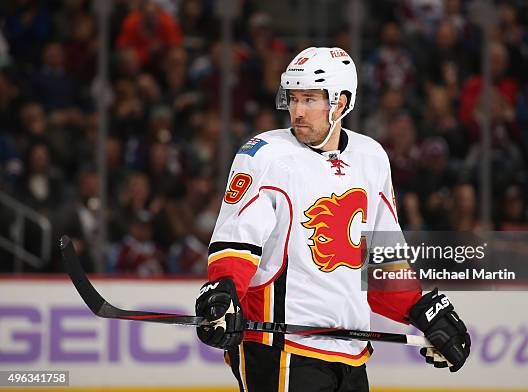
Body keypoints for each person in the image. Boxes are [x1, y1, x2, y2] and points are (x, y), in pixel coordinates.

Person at [195, 47, 470, 391]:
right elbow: (238, 240)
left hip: (350, 354)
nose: (297, 111)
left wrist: (424, 312)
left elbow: (383, 259)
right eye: (293, 99)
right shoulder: (265, 155)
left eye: (309, 99)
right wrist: (223, 293)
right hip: (278, 349)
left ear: (340, 103)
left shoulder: (372, 158)